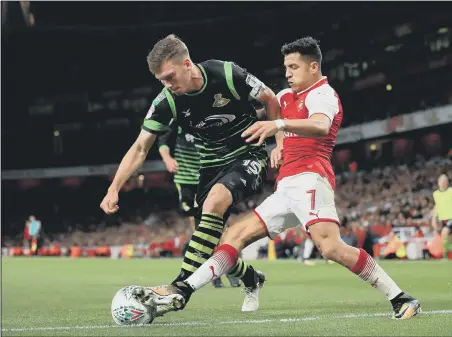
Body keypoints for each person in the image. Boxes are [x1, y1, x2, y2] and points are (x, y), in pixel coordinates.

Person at [136, 37, 421, 320]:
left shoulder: (323, 95)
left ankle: (401, 298)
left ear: (313, 67)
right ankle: (183, 291)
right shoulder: (285, 97)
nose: (287, 73)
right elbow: (257, 114)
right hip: (285, 187)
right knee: (233, 236)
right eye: (286, 67)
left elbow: (321, 125)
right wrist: (269, 136)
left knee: (331, 248)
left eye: (294, 67)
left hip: (311, 178)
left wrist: (279, 125)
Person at [100, 34, 282, 313]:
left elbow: (269, 98)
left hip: (247, 155)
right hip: (209, 167)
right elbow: (139, 148)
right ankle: (251, 278)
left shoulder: (228, 74)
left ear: (187, 64)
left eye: (170, 77)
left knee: (214, 203)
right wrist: (114, 188)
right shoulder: (166, 102)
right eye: (161, 80)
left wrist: (278, 143)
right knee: (210, 243)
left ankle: (179, 287)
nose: (167, 85)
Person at [158, 122, 241, 288]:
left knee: (220, 228)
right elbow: (163, 141)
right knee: (201, 232)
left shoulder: (212, 118)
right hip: (186, 180)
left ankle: (230, 267)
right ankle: (215, 274)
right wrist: (167, 159)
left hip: (210, 177)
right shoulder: (178, 118)